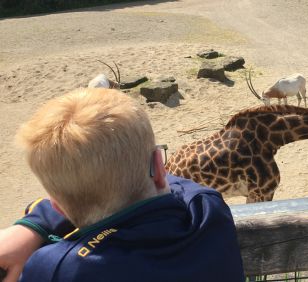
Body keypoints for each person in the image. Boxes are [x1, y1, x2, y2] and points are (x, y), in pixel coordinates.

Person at [0, 88, 245, 282]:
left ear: (58, 207)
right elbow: (182, 187)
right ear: (160, 167)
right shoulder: (208, 213)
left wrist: (35, 224)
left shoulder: (57, 268)